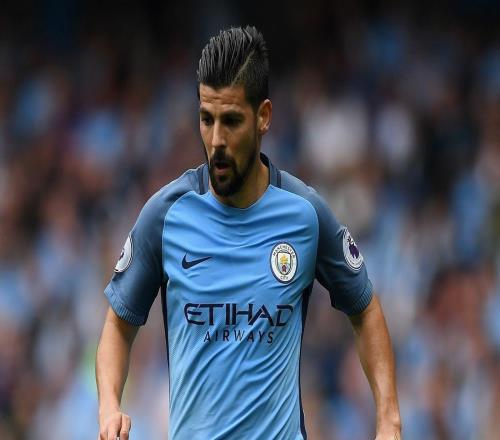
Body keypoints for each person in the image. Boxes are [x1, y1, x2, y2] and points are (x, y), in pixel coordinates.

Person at [96, 25, 402, 440]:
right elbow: (118, 325)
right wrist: (109, 406)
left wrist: (388, 419)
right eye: (206, 119)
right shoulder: (166, 215)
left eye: (232, 121)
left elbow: (364, 308)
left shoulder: (304, 214)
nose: (216, 140)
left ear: (264, 117)